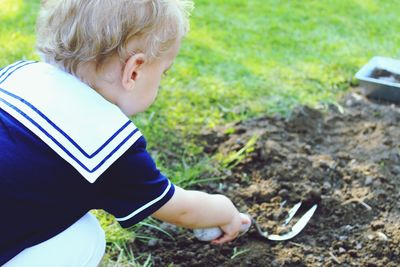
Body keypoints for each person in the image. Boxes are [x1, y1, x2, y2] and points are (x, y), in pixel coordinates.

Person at [0, 0, 250, 266]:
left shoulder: (16, 75)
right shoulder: (105, 143)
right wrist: (224, 210)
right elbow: (180, 208)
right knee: (85, 239)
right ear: (134, 71)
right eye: (163, 73)